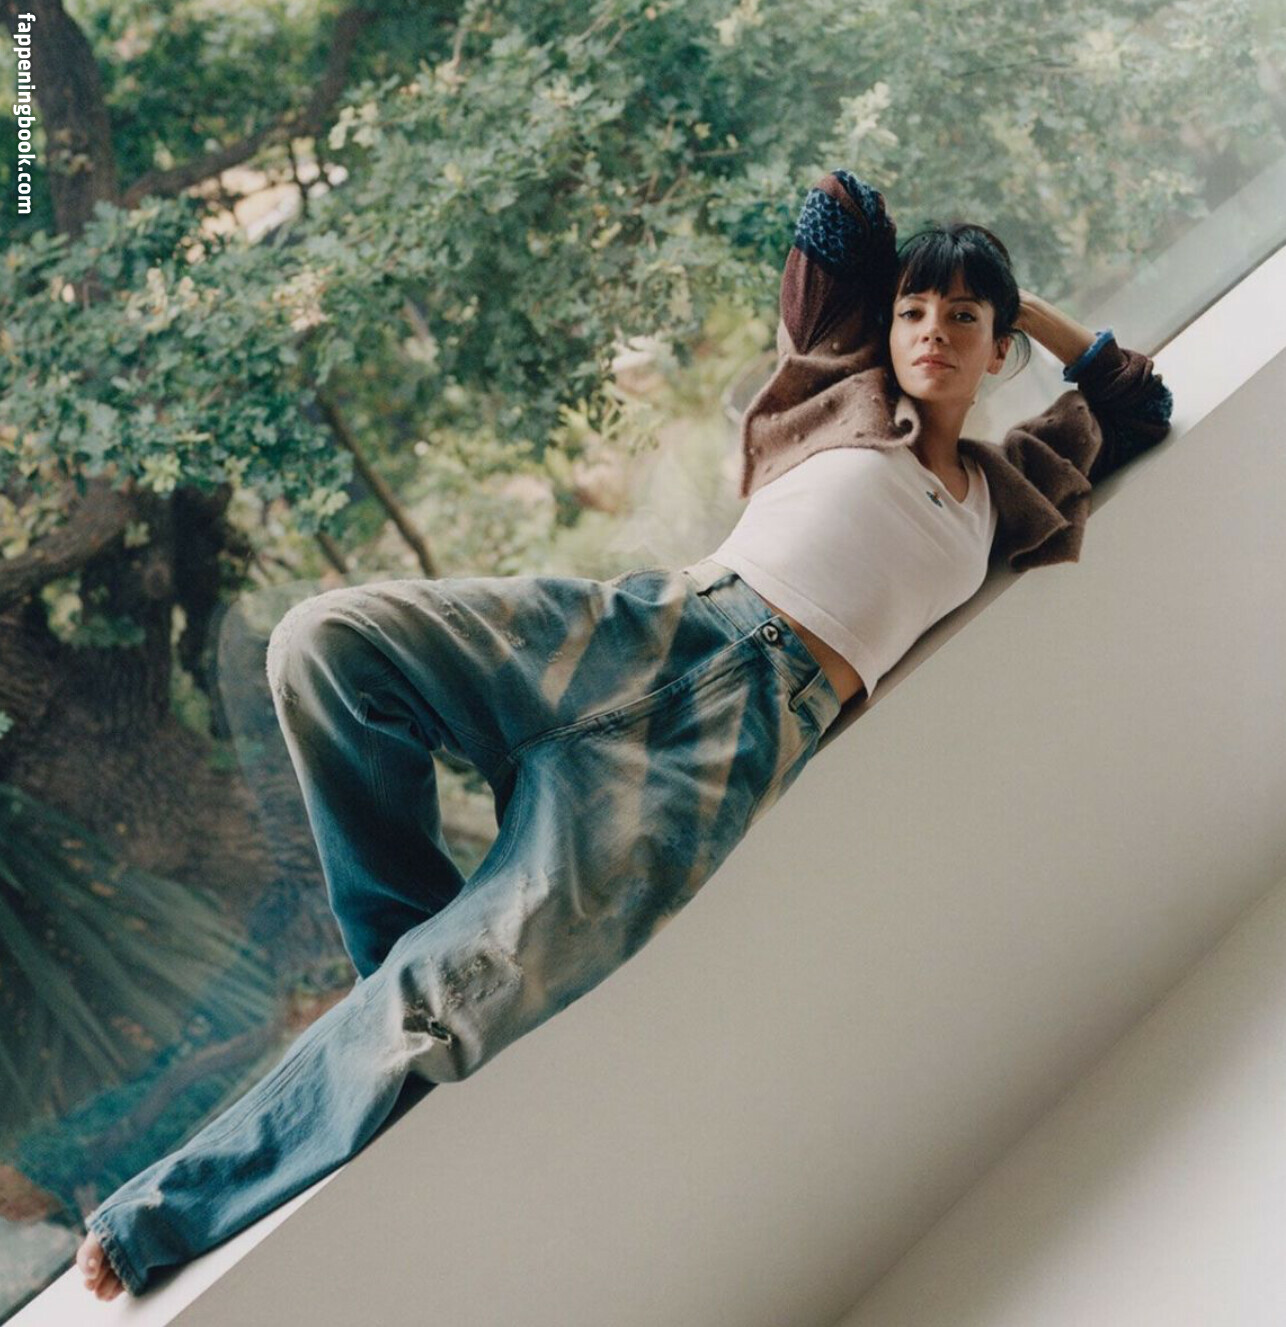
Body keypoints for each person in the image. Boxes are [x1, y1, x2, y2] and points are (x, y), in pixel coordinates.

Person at [75, 169, 1170, 1300]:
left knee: (447, 996)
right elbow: (835, 216)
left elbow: (1136, 402)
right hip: (644, 626)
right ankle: (401, 969)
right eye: (914, 310)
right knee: (323, 644)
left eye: (963, 319)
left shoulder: (1002, 494)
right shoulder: (843, 389)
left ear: (999, 351)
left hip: (720, 753)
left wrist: (1025, 307)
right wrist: (922, 274)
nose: (932, 331)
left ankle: (161, 1212)